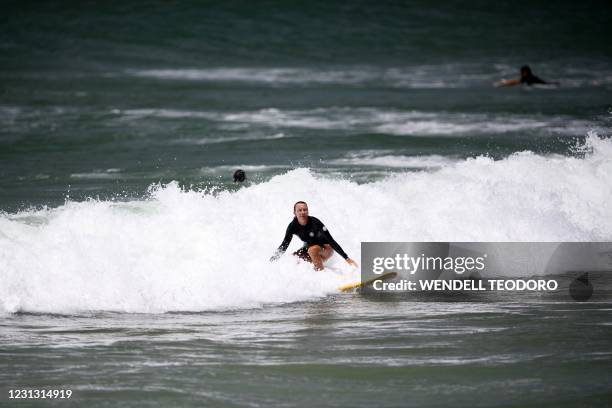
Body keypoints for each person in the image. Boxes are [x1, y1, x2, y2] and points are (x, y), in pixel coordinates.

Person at [270, 201, 358, 271]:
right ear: (294, 213)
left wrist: (346, 258)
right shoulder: (292, 226)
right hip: (309, 250)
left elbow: (331, 240)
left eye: (305, 210)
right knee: (294, 259)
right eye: (299, 210)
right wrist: (272, 260)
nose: (303, 212)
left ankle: (321, 274)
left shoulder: (315, 222)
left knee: (312, 249)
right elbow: (284, 245)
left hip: (326, 249)